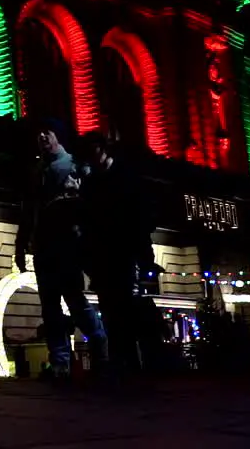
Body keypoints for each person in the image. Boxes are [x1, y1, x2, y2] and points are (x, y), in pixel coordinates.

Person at [15, 118, 108, 379]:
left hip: (67, 245)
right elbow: (28, 212)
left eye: (47, 131)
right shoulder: (36, 171)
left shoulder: (77, 166)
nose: (42, 136)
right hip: (44, 248)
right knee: (50, 307)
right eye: (39, 133)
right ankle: (60, 362)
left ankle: (100, 345)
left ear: (58, 135)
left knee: (74, 301)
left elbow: (92, 206)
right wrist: (20, 246)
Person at [77, 132, 163, 375]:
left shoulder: (126, 177)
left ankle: (133, 360)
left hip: (124, 251)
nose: (92, 157)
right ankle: (121, 360)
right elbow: (87, 220)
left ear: (103, 150)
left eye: (94, 151)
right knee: (110, 307)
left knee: (126, 304)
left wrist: (143, 253)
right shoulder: (92, 183)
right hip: (103, 253)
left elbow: (140, 216)